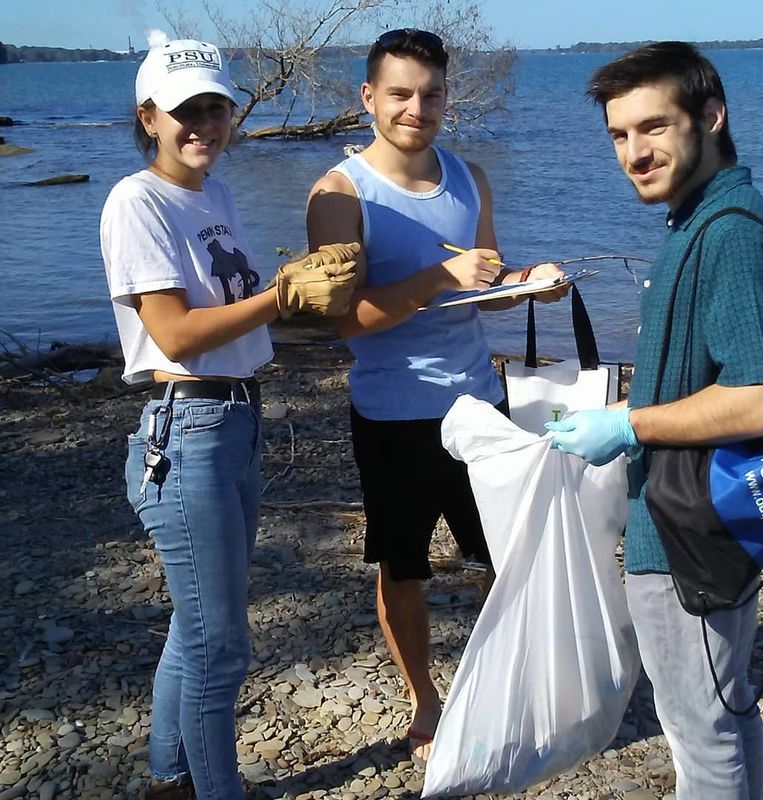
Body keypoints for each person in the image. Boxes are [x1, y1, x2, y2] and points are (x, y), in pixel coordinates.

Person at [99, 38, 359, 800]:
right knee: (221, 646)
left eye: (216, 106)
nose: (205, 124)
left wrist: (295, 289)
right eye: (186, 112)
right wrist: (282, 296)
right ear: (149, 117)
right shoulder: (136, 201)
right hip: (188, 431)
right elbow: (176, 334)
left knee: (198, 624)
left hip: (237, 419)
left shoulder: (213, 193)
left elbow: (234, 314)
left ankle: (169, 777)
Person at [305, 28, 566, 763]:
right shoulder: (339, 194)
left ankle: (504, 684)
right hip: (394, 413)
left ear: (447, 96)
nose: (416, 108)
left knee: (509, 558)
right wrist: (437, 281)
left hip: (479, 404)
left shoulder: (468, 176)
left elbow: (484, 295)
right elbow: (342, 318)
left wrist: (530, 283)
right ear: (369, 98)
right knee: (405, 567)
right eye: (400, 93)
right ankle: (426, 701)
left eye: (431, 93)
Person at [547, 41, 763, 800]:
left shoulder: (729, 236)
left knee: (701, 735)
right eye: (620, 135)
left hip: (687, 534)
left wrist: (630, 427)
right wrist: (630, 410)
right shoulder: (697, 221)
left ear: (712, 115)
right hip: (697, 520)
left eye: (653, 127)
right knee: (725, 714)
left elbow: (762, 399)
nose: (634, 152)